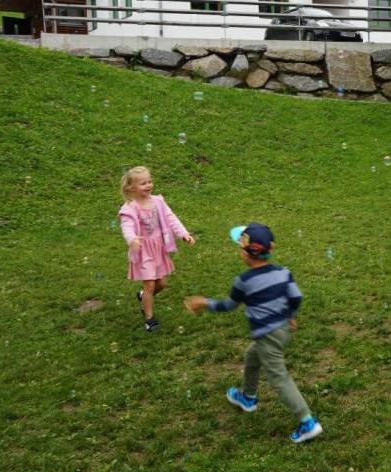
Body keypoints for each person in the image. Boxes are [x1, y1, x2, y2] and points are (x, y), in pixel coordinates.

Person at [184, 223, 323, 443]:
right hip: (283, 330)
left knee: (279, 378)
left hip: (267, 335)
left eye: (240, 246)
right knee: (251, 356)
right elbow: (296, 297)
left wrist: (205, 303)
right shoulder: (283, 273)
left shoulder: (244, 282)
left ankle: (307, 421)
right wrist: (291, 315)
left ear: (247, 253)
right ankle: (248, 397)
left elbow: (228, 306)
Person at [117, 166, 194, 332]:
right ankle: (149, 319)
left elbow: (171, 218)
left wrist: (183, 234)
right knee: (150, 285)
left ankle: (144, 296)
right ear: (131, 187)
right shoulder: (130, 208)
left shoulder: (158, 202)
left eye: (149, 181)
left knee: (162, 284)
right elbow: (127, 226)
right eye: (143, 183)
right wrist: (132, 239)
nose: (148, 185)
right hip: (143, 250)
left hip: (158, 248)